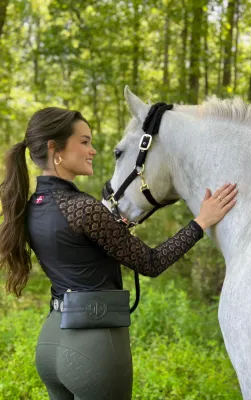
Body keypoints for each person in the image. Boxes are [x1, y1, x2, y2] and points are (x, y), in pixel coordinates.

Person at [0, 107, 238, 400]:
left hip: (51, 342)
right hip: (93, 347)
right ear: (54, 148)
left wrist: (114, 229)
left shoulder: (30, 206)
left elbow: (76, 250)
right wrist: (201, 222)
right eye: (84, 141)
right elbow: (151, 263)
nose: (93, 150)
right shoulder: (84, 208)